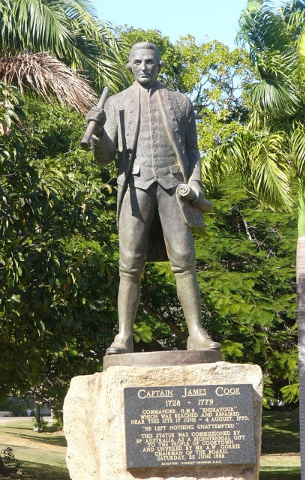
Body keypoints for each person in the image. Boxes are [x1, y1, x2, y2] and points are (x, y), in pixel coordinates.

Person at [86, 42, 221, 355]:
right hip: (135, 186)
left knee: (185, 261)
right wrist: (98, 134)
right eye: (137, 62)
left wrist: (196, 182)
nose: (143, 67)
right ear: (130, 65)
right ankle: (124, 336)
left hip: (174, 187)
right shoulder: (116, 103)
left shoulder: (180, 102)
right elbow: (105, 157)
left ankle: (196, 333)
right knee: (129, 265)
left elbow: (192, 151)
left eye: (149, 62)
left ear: (159, 65)